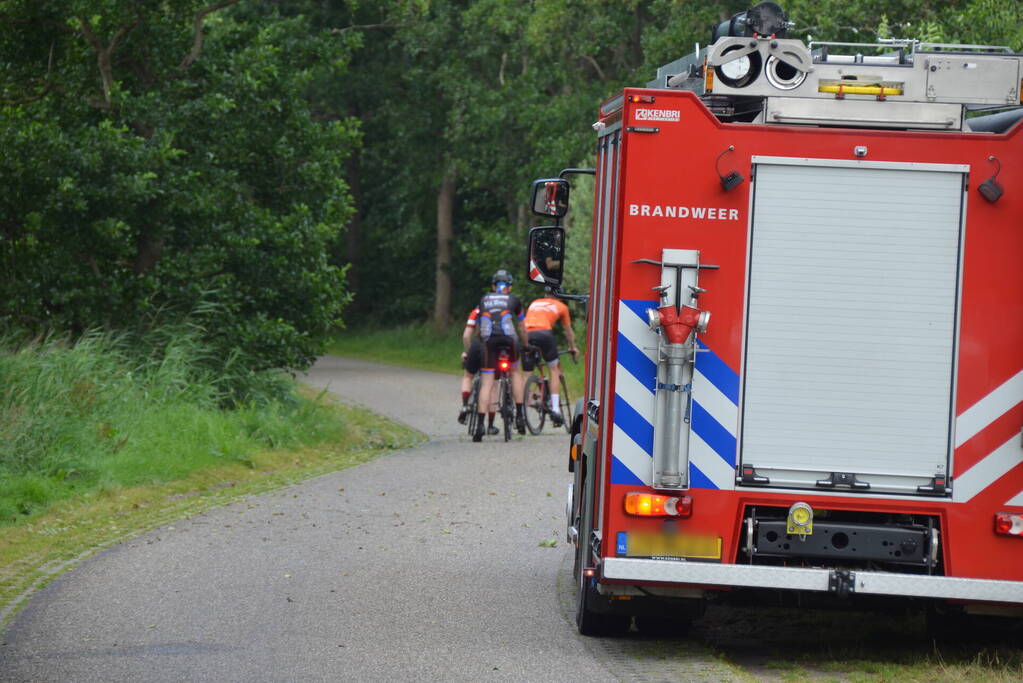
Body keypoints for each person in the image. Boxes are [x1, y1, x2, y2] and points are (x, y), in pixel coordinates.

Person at [473, 269, 528, 442]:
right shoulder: (514, 300)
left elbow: (478, 328)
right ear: (509, 287)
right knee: (515, 373)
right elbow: (522, 327)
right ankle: (519, 415)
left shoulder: (484, 300)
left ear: (493, 286)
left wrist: (481, 342)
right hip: (509, 340)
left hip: (489, 341)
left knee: (487, 382)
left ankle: (480, 425)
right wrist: (525, 345)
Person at [522, 292, 579, 427]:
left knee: (527, 372)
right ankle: (555, 409)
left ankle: (527, 402)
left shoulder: (535, 302)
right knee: (553, 369)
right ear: (558, 296)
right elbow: (568, 331)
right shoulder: (561, 306)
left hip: (527, 334)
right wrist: (573, 347)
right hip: (544, 334)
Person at [457, 306, 498, 435]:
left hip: (477, 344)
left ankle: (465, 406)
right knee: (492, 385)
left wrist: (468, 352)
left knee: (468, 376)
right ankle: (490, 425)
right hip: (494, 346)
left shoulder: (476, 311)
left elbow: (466, 336)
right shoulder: (502, 309)